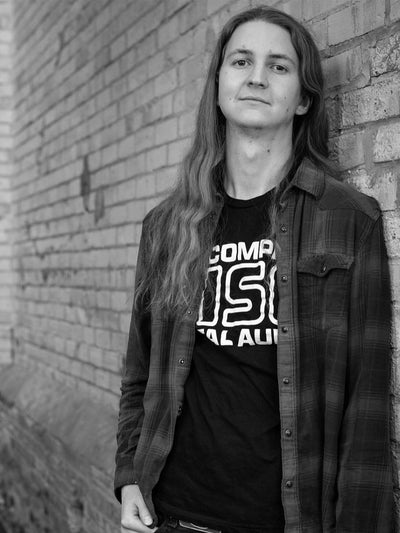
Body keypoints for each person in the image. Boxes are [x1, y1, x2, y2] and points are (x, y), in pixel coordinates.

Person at [114, 6, 393, 533]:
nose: (257, 77)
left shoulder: (347, 219)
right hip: (172, 516)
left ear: (304, 97)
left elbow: (367, 408)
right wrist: (130, 475)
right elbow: (140, 372)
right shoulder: (167, 226)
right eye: (241, 61)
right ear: (219, 83)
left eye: (279, 66)